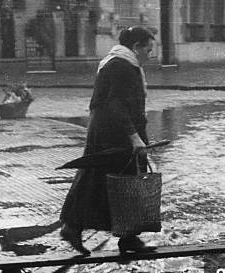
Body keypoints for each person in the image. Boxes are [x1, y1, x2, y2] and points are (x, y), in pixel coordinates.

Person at [59, 26, 157, 255]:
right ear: (136, 47)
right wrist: (134, 137)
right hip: (112, 133)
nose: (150, 55)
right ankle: (74, 227)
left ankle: (127, 236)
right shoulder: (122, 66)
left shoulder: (122, 62)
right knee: (107, 179)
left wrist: (140, 136)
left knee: (120, 179)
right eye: (148, 49)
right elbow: (115, 104)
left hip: (112, 131)